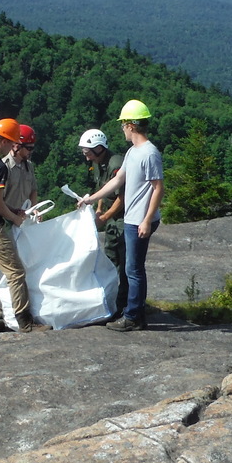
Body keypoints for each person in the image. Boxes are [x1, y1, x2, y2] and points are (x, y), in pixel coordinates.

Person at [79, 100, 163, 331]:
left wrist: (147, 220)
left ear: (131, 126)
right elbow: (117, 180)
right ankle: (134, 313)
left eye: (123, 124)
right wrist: (92, 199)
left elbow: (158, 188)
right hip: (133, 219)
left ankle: (133, 317)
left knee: (133, 270)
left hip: (139, 220)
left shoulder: (149, 153)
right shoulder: (132, 152)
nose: (122, 129)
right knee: (131, 268)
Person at [0, 118, 50, 334]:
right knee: (15, 273)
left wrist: (16, 211)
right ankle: (25, 322)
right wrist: (15, 218)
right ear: (7, 141)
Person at [78, 127, 127, 317]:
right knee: (110, 258)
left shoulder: (116, 164)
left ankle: (123, 304)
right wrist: (99, 210)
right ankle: (110, 300)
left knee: (124, 262)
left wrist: (105, 218)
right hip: (110, 216)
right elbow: (103, 189)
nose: (87, 158)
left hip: (122, 217)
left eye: (88, 153)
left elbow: (122, 197)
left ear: (99, 149)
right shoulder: (99, 163)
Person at [3, 124, 40, 212]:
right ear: (16, 146)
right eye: (28, 148)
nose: (30, 152)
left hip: (25, 217)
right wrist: (14, 217)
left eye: (32, 148)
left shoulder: (29, 166)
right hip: (7, 219)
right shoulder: (4, 167)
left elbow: (33, 190)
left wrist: (34, 209)